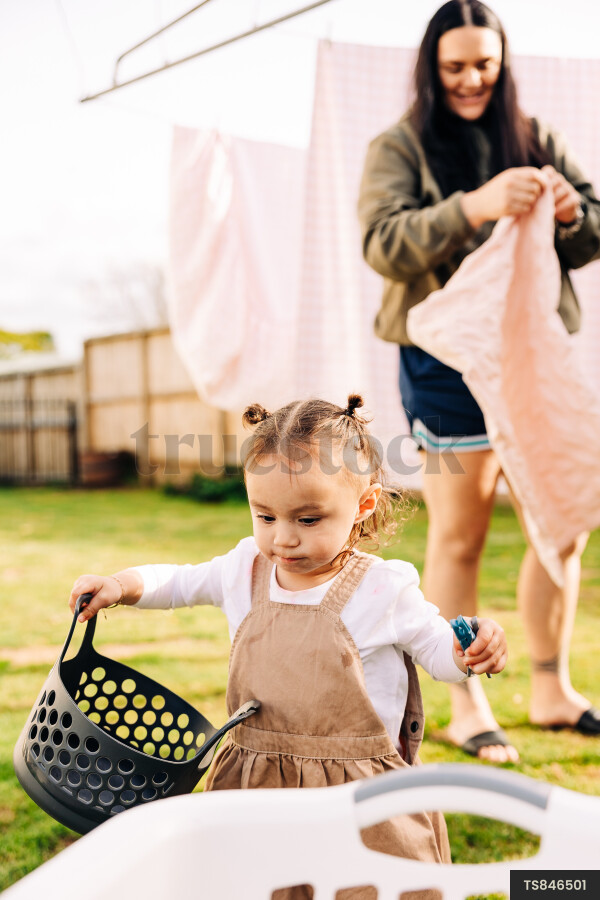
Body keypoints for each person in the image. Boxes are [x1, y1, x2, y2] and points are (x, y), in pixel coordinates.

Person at [70, 396, 508, 897]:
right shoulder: (244, 570)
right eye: (266, 516)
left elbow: (437, 652)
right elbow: (177, 582)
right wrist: (120, 586)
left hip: (358, 799)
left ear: (363, 504)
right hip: (257, 788)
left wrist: (467, 650)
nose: (283, 539)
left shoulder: (383, 587)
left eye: (308, 519)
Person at [357, 0, 600, 764]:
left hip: (532, 354)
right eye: (455, 66)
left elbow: (593, 226)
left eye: (484, 65)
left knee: (561, 517)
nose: (470, 80)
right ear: (431, 67)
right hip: (444, 365)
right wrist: (474, 207)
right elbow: (382, 243)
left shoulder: (533, 136)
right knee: (460, 533)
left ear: (503, 62)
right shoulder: (397, 145)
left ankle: (552, 689)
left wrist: (569, 213)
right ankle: (465, 701)